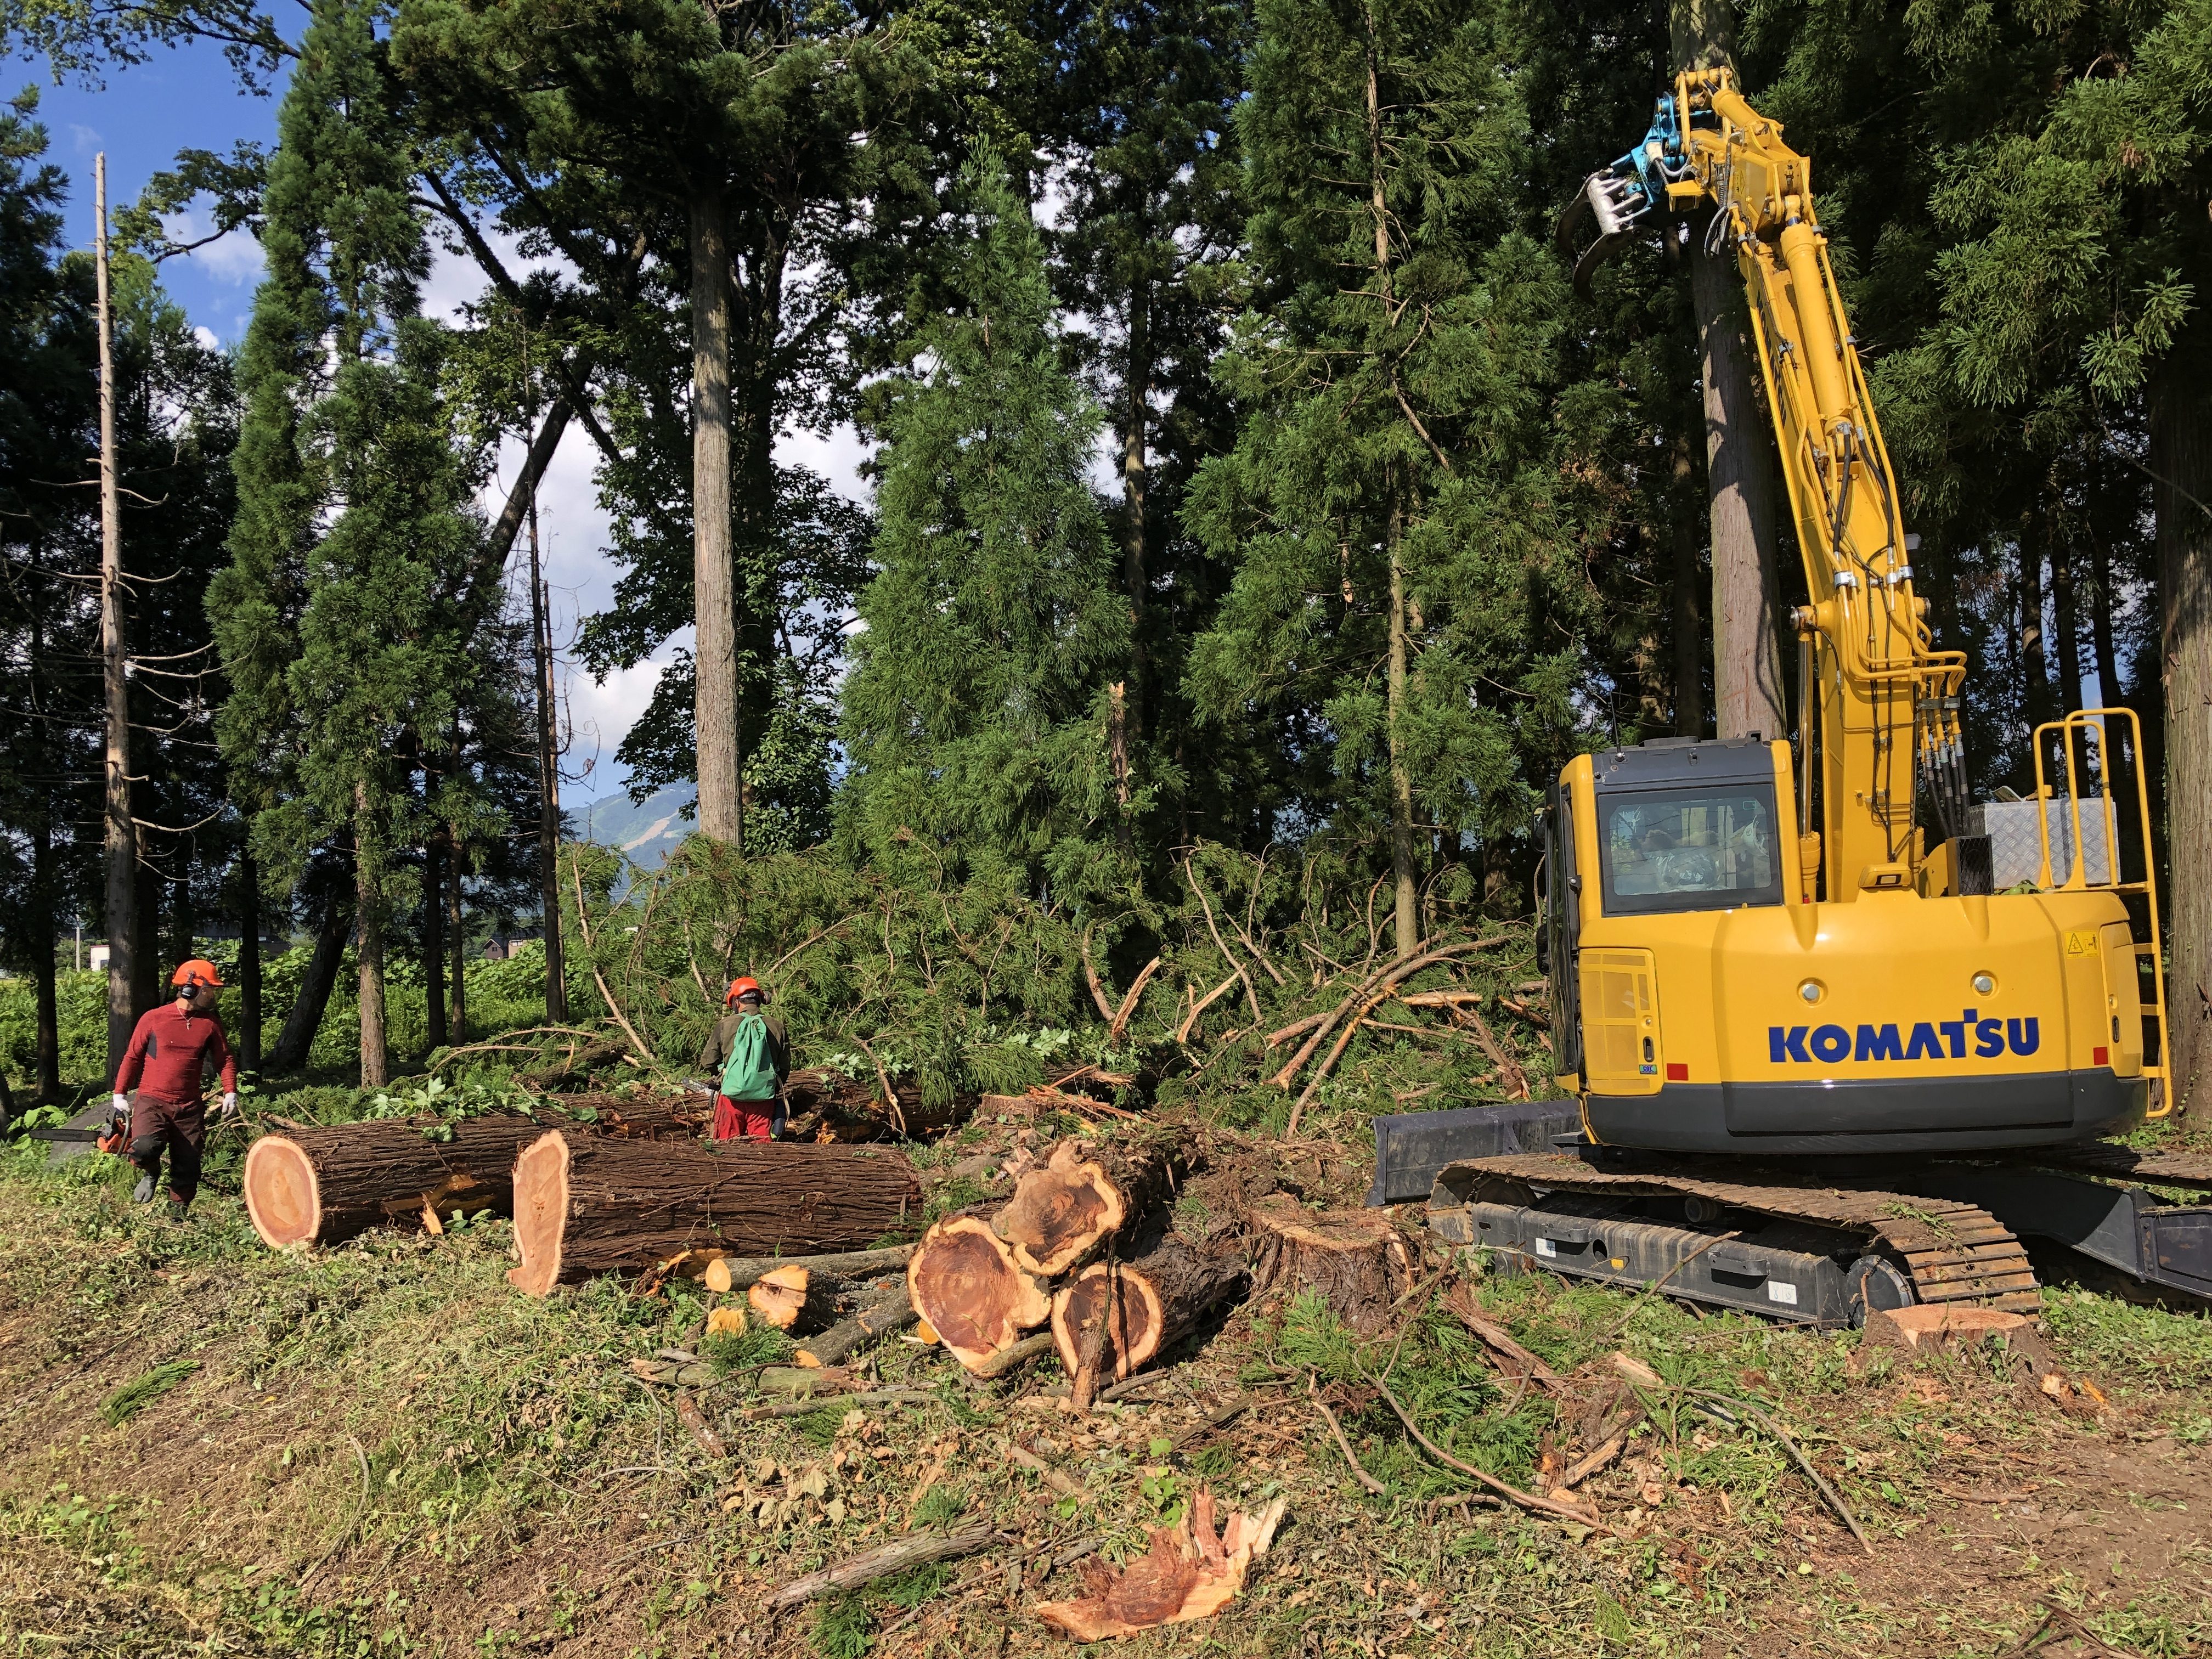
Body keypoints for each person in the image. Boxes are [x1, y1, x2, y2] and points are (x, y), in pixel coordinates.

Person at [112, 958, 239, 1220]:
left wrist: (230, 1091)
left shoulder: (210, 1024)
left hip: (189, 1106)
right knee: (143, 1147)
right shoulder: (154, 1018)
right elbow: (132, 1057)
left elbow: (224, 1059)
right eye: (210, 989)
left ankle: (177, 1217)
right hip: (152, 1100)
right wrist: (120, 1094)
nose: (213, 994)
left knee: (189, 1165)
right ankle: (151, 1172)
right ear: (191, 989)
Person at [697, 976, 790, 1141]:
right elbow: (784, 1067)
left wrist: (723, 1073)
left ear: (736, 1002)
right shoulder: (777, 1026)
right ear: (761, 1000)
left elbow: (708, 1061)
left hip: (730, 1099)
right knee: (761, 1149)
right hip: (763, 1100)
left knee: (725, 1146)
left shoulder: (725, 1024)